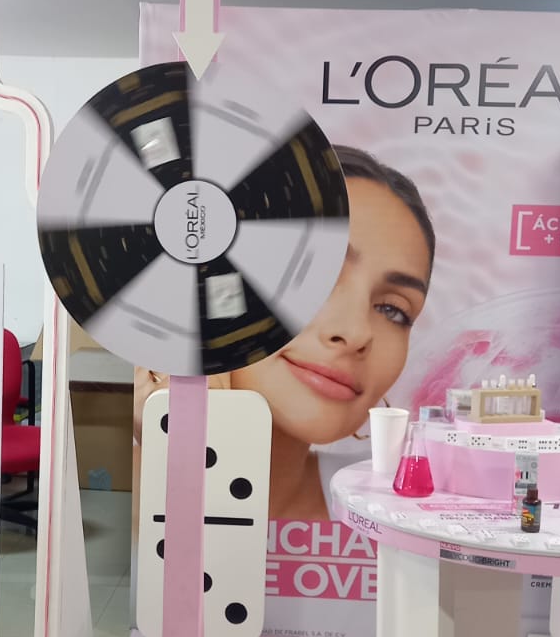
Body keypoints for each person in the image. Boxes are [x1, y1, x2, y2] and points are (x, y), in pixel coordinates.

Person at [134, 145, 435, 521]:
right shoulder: (102, 496)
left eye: (393, 310)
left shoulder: (394, 518)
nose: (356, 332)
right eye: (316, 273)